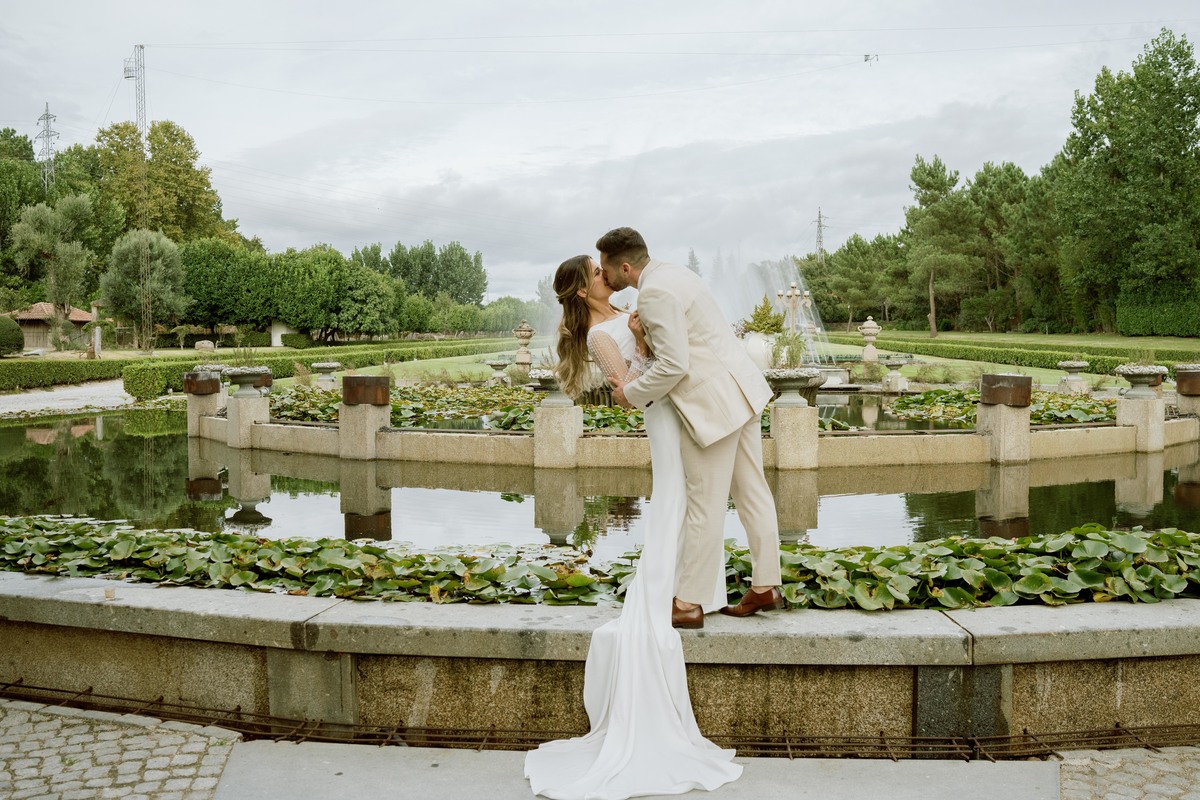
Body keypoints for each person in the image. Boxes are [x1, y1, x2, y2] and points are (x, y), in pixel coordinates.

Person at [523, 254, 740, 799]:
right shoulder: (600, 335)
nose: (606, 277)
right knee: (673, 493)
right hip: (657, 413)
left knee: (688, 494)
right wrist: (641, 343)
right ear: (581, 291)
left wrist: (649, 332)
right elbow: (627, 389)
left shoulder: (627, 307)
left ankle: (685, 588)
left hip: (674, 405)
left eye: (605, 270)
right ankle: (666, 591)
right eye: (596, 275)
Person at [597, 227, 785, 629]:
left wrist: (631, 394)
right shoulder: (676, 274)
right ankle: (766, 585)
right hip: (741, 390)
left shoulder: (653, 294)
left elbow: (674, 364)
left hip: (713, 406)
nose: (604, 276)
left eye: (605, 269)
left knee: (704, 503)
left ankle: (687, 602)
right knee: (753, 493)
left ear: (625, 267)